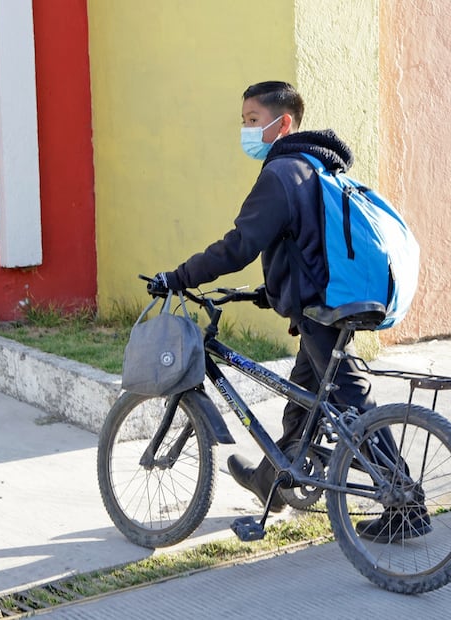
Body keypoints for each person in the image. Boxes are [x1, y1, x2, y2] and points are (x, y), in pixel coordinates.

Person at [151, 81, 428, 542]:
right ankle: (275, 480)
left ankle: (404, 502)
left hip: (323, 309)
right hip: (328, 303)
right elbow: (308, 246)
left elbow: (240, 245)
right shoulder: (316, 167)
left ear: (283, 124)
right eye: (242, 120)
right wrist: (272, 290)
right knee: (305, 396)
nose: (245, 129)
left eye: (253, 120)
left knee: (349, 403)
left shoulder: (281, 174)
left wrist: (179, 276)